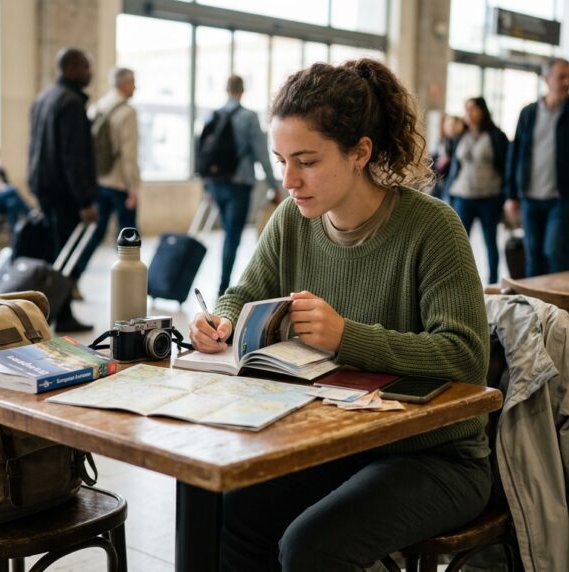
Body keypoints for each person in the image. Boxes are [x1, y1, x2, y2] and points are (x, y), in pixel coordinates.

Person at [189, 59, 491, 571]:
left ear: (360, 153)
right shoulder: (293, 219)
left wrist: (346, 337)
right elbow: (242, 291)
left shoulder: (433, 228)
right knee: (234, 510)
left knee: (311, 547)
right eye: (281, 159)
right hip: (337, 442)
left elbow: (466, 359)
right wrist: (219, 319)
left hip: (436, 457)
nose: (288, 179)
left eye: (306, 161)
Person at [504, 57, 569, 277]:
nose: (568, 81)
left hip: (565, 198)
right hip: (530, 197)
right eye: (562, 77)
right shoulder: (528, 113)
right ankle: (534, 308)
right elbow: (516, 154)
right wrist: (511, 194)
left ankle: (557, 308)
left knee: (556, 253)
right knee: (533, 257)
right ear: (547, 79)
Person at [27, 47, 98, 333]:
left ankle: (52, 309)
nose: (89, 73)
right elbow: (73, 156)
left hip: (45, 188)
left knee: (55, 253)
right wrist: (85, 199)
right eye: (84, 67)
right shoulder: (70, 103)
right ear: (69, 68)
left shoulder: (44, 97)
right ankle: (63, 312)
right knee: (65, 256)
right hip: (65, 193)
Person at [202, 74, 280, 297]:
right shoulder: (248, 117)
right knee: (232, 236)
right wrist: (274, 185)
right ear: (242, 91)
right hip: (239, 183)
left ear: (226, 90)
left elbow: (205, 154)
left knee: (228, 231)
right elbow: (262, 154)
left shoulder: (214, 115)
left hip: (217, 183)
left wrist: (207, 187)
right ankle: (223, 287)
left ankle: (223, 283)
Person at [73, 67, 142, 275]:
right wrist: (133, 188)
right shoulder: (127, 112)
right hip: (120, 183)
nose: (135, 87)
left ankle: (74, 275)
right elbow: (128, 154)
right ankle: (132, 278)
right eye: (133, 82)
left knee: (96, 231)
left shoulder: (98, 107)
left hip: (99, 181)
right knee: (129, 235)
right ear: (124, 84)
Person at [445, 97, 509, 284]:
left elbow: (505, 166)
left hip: (489, 196)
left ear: (483, 111)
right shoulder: (460, 137)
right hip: (463, 196)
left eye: (473, 109)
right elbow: (454, 167)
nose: (469, 114)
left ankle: (492, 282)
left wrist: (507, 196)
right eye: (466, 110)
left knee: (490, 242)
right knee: (459, 243)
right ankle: (458, 281)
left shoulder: (496, 136)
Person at [430, 115, 463, 200]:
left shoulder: (460, 142)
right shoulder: (443, 141)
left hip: (453, 183)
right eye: (448, 125)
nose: (451, 128)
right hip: (441, 180)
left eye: (453, 124)